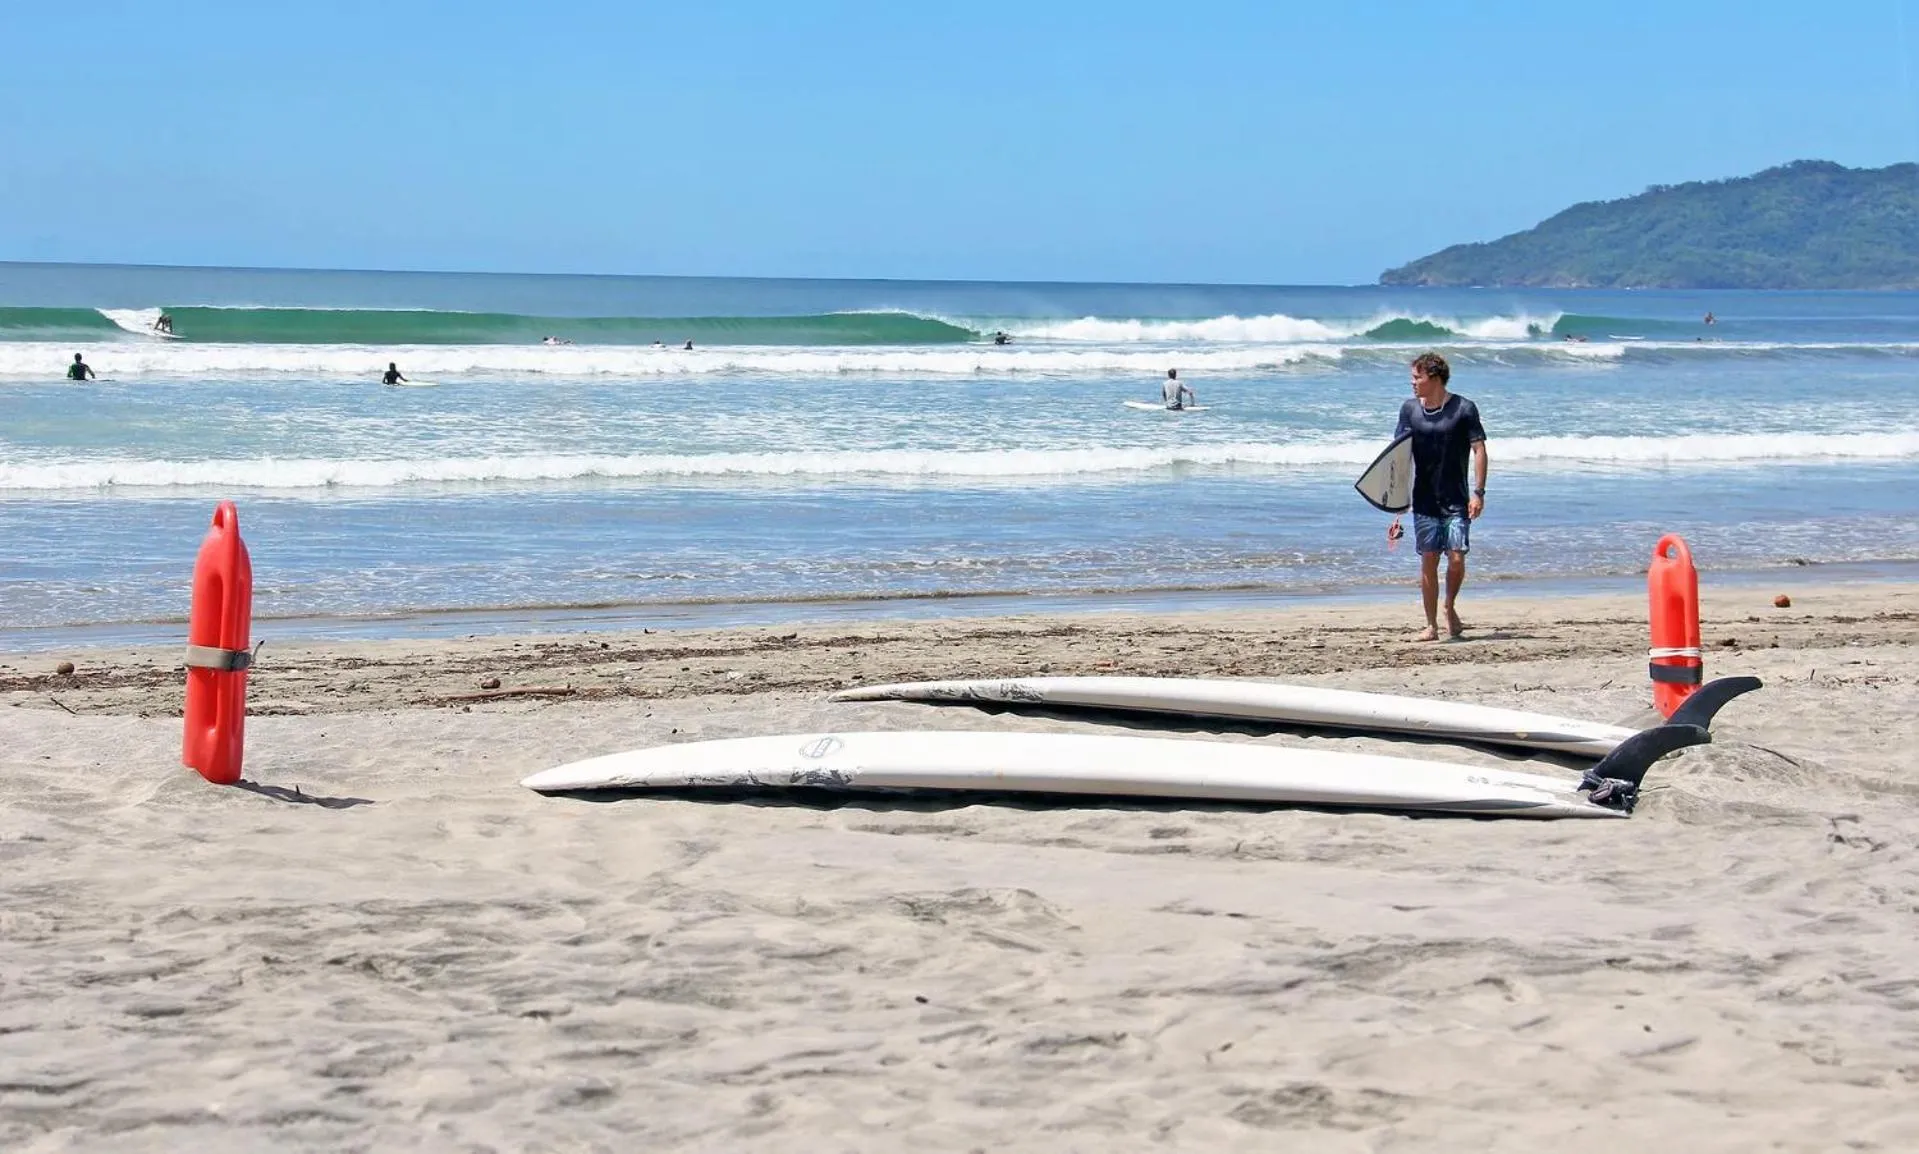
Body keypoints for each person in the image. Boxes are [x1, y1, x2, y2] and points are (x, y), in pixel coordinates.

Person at [1385, 352, 1488, 641]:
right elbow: (1398, 455)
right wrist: (1397, 499)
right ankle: (1431, 626)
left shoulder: (1463, 409)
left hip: (1457, 498)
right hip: (1424, 499)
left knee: (1456, 558)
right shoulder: (1409, 410)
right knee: (1428, 559)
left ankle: (1449, 606)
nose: (1412, 382)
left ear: (1435, 378)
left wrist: (1478, 492)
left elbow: (1479, 449)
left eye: (1417, 377)